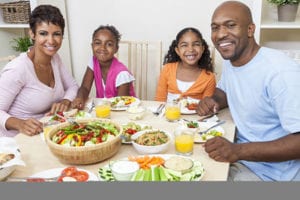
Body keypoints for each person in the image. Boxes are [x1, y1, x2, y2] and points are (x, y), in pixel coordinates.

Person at [197, 1, 300, 181]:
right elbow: (225, 91)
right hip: (240, 158)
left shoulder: (280, 73)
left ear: (250, 30)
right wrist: (213, 100)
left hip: (271, 175)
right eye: (215, 28)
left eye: (231, 25)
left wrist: (238, 151)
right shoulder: (232, 59)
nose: (220, 34)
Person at [0, 5, 79, 137]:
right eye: (43, 33)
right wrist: (20, 124)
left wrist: (65, 101)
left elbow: (72, 86)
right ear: (32, 34)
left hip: (45, 133)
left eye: (56, 34)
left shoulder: (55, 58)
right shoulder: (17, 69)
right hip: (17, 141)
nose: (51, 40)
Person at [72, 25, 136, 110]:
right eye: (98, 43)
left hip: (124, 112)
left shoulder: (122, 74)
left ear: (116, 49)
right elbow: (85, 87)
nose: (102, 48)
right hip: (104, 110)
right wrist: (79, 98)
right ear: (92, 46)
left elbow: (121, 105)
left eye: (109, 44)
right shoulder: (93, 61)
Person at [155, 27, 216, 102]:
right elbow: (159, 101)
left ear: (202, 49)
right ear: (177, 50)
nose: (190, 49)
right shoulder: (168, 69)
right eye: (184, 45)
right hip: (168, 113)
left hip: (196, 114)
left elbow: (207, 107)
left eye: (196, 44)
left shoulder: (209, 77)